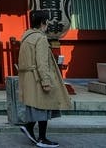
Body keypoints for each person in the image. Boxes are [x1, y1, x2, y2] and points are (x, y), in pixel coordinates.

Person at [16, 10, 71, 148]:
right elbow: (42, 62)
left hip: (29, 78)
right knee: (45, 106)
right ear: (43, 23)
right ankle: (41, 138)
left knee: (39, 107)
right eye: (47, 21)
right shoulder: (40, 38)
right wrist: (45, 81)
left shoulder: (27, 37)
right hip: (38, 78)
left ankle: (29, 128)